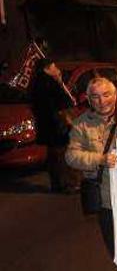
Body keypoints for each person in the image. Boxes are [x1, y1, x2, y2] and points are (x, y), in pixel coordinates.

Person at [65, 77, 117, 256]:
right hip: (106, 201)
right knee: (115, 249)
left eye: (106, 94)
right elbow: (71, 156)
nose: (102, 101)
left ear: (115, 95)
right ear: (88, 99)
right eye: (95, 97)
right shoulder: (81, 124)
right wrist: (99, 159)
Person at [30, 58, 77, 193]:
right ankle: (66, 185)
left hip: (46, 124)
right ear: (47, 69)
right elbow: (65, 102)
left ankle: (56, 184)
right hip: (57, 124)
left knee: (53, 155)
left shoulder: (36, 83)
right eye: (54, 67)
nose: (57, 69)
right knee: (61, 155)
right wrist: (60, 82)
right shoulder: (50, 83)